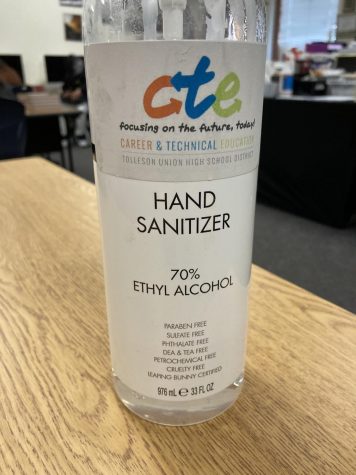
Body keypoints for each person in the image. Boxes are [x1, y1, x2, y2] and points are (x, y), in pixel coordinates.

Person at [61, 55, 89, 147]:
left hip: (84, 101)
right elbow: (65, 87)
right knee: (61, 113)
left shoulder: (87, 73)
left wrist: (81, 90)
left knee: (82, 110)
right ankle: (65, 136)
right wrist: (67, 92)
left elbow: (89, 85)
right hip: (71, 101)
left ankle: (80, 135)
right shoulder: (69, 75)